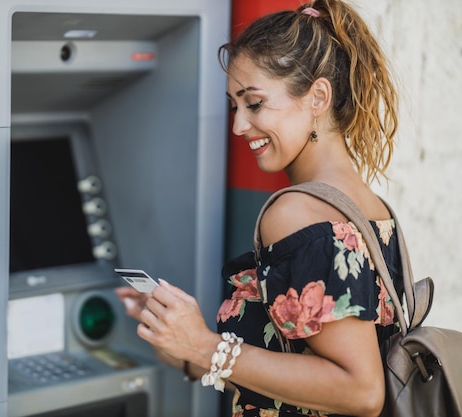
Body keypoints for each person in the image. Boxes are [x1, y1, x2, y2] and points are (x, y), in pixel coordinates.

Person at [115, 0, 403, 416]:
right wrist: (179, 337)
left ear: (318, 97)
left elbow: (361, 391)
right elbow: (293, 371)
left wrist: (203, 343)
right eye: (235, 104)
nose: (238, 125)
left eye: (254, 103)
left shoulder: (296, 213)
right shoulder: (370, 206)